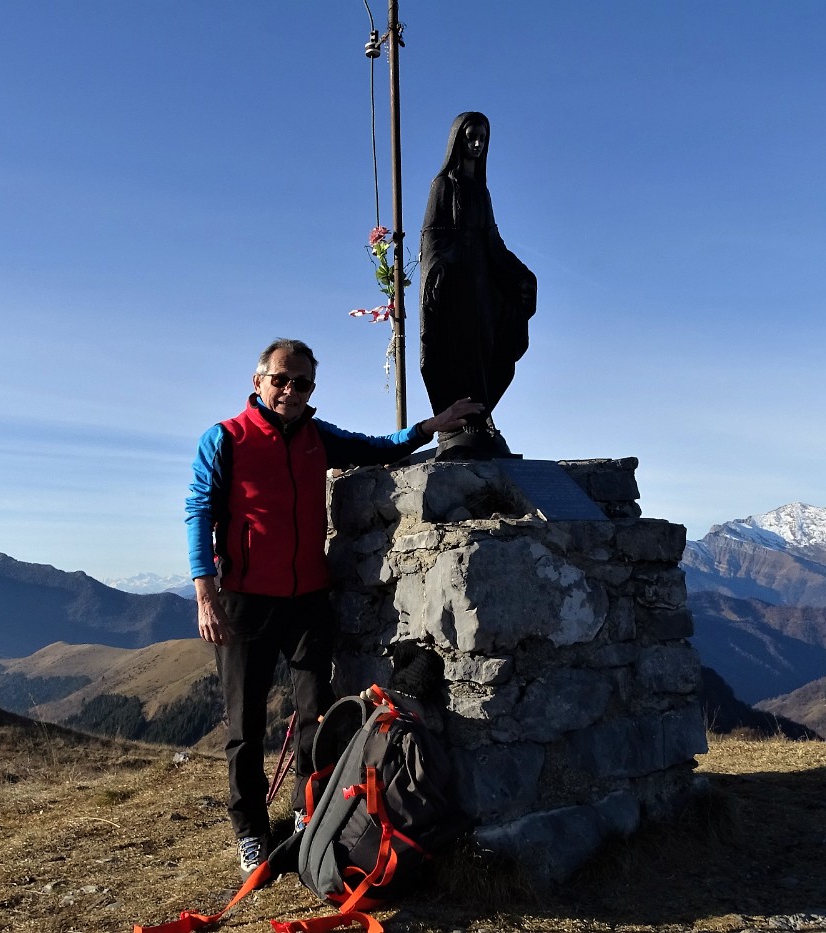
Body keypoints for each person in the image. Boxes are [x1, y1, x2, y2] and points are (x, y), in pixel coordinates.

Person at [185, 338, 482, 878]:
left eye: (303, 383)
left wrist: (430, 426)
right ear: (258, 382)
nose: (291, 391)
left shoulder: (319, 439)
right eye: (281, 380)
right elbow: (197, 511)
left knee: (315, 714)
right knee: (245, 725)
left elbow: (376, 447)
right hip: (245, 600)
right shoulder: (224, 438)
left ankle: (306, 815)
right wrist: (205, 594)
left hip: (307, 599)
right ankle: (251, 831)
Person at [419, 111, 537, 460]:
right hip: (455, 289)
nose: (476, 143)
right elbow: (432, 238)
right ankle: (461, 424)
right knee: (460, 352)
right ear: (458, 140)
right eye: (470, 136)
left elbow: (493, 241)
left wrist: (519, 274)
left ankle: (481, 418)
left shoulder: (481, 191)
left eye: (482, 138)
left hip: (482, 285)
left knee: (489, 350)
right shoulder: (443, 186)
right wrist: (438, 271)